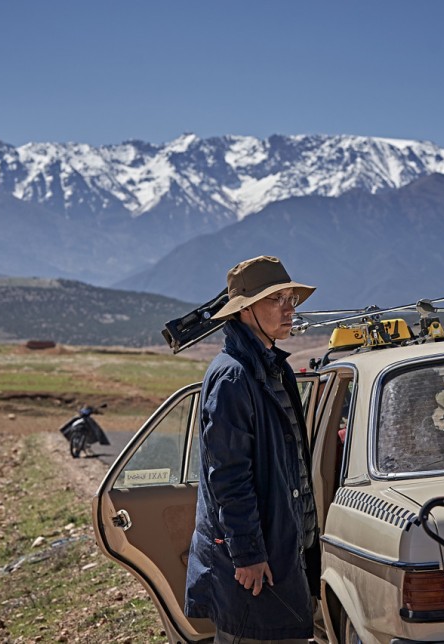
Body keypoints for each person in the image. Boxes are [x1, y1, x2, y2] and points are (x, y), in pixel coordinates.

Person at [184, 255, 321, 643]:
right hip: (254, 565)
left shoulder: (273, 368)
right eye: (276, 300)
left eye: (291, 298)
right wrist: (246, 554)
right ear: (245, 310)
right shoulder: (233, 376)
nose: (289, 309)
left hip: (279, 552)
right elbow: (227, 475)